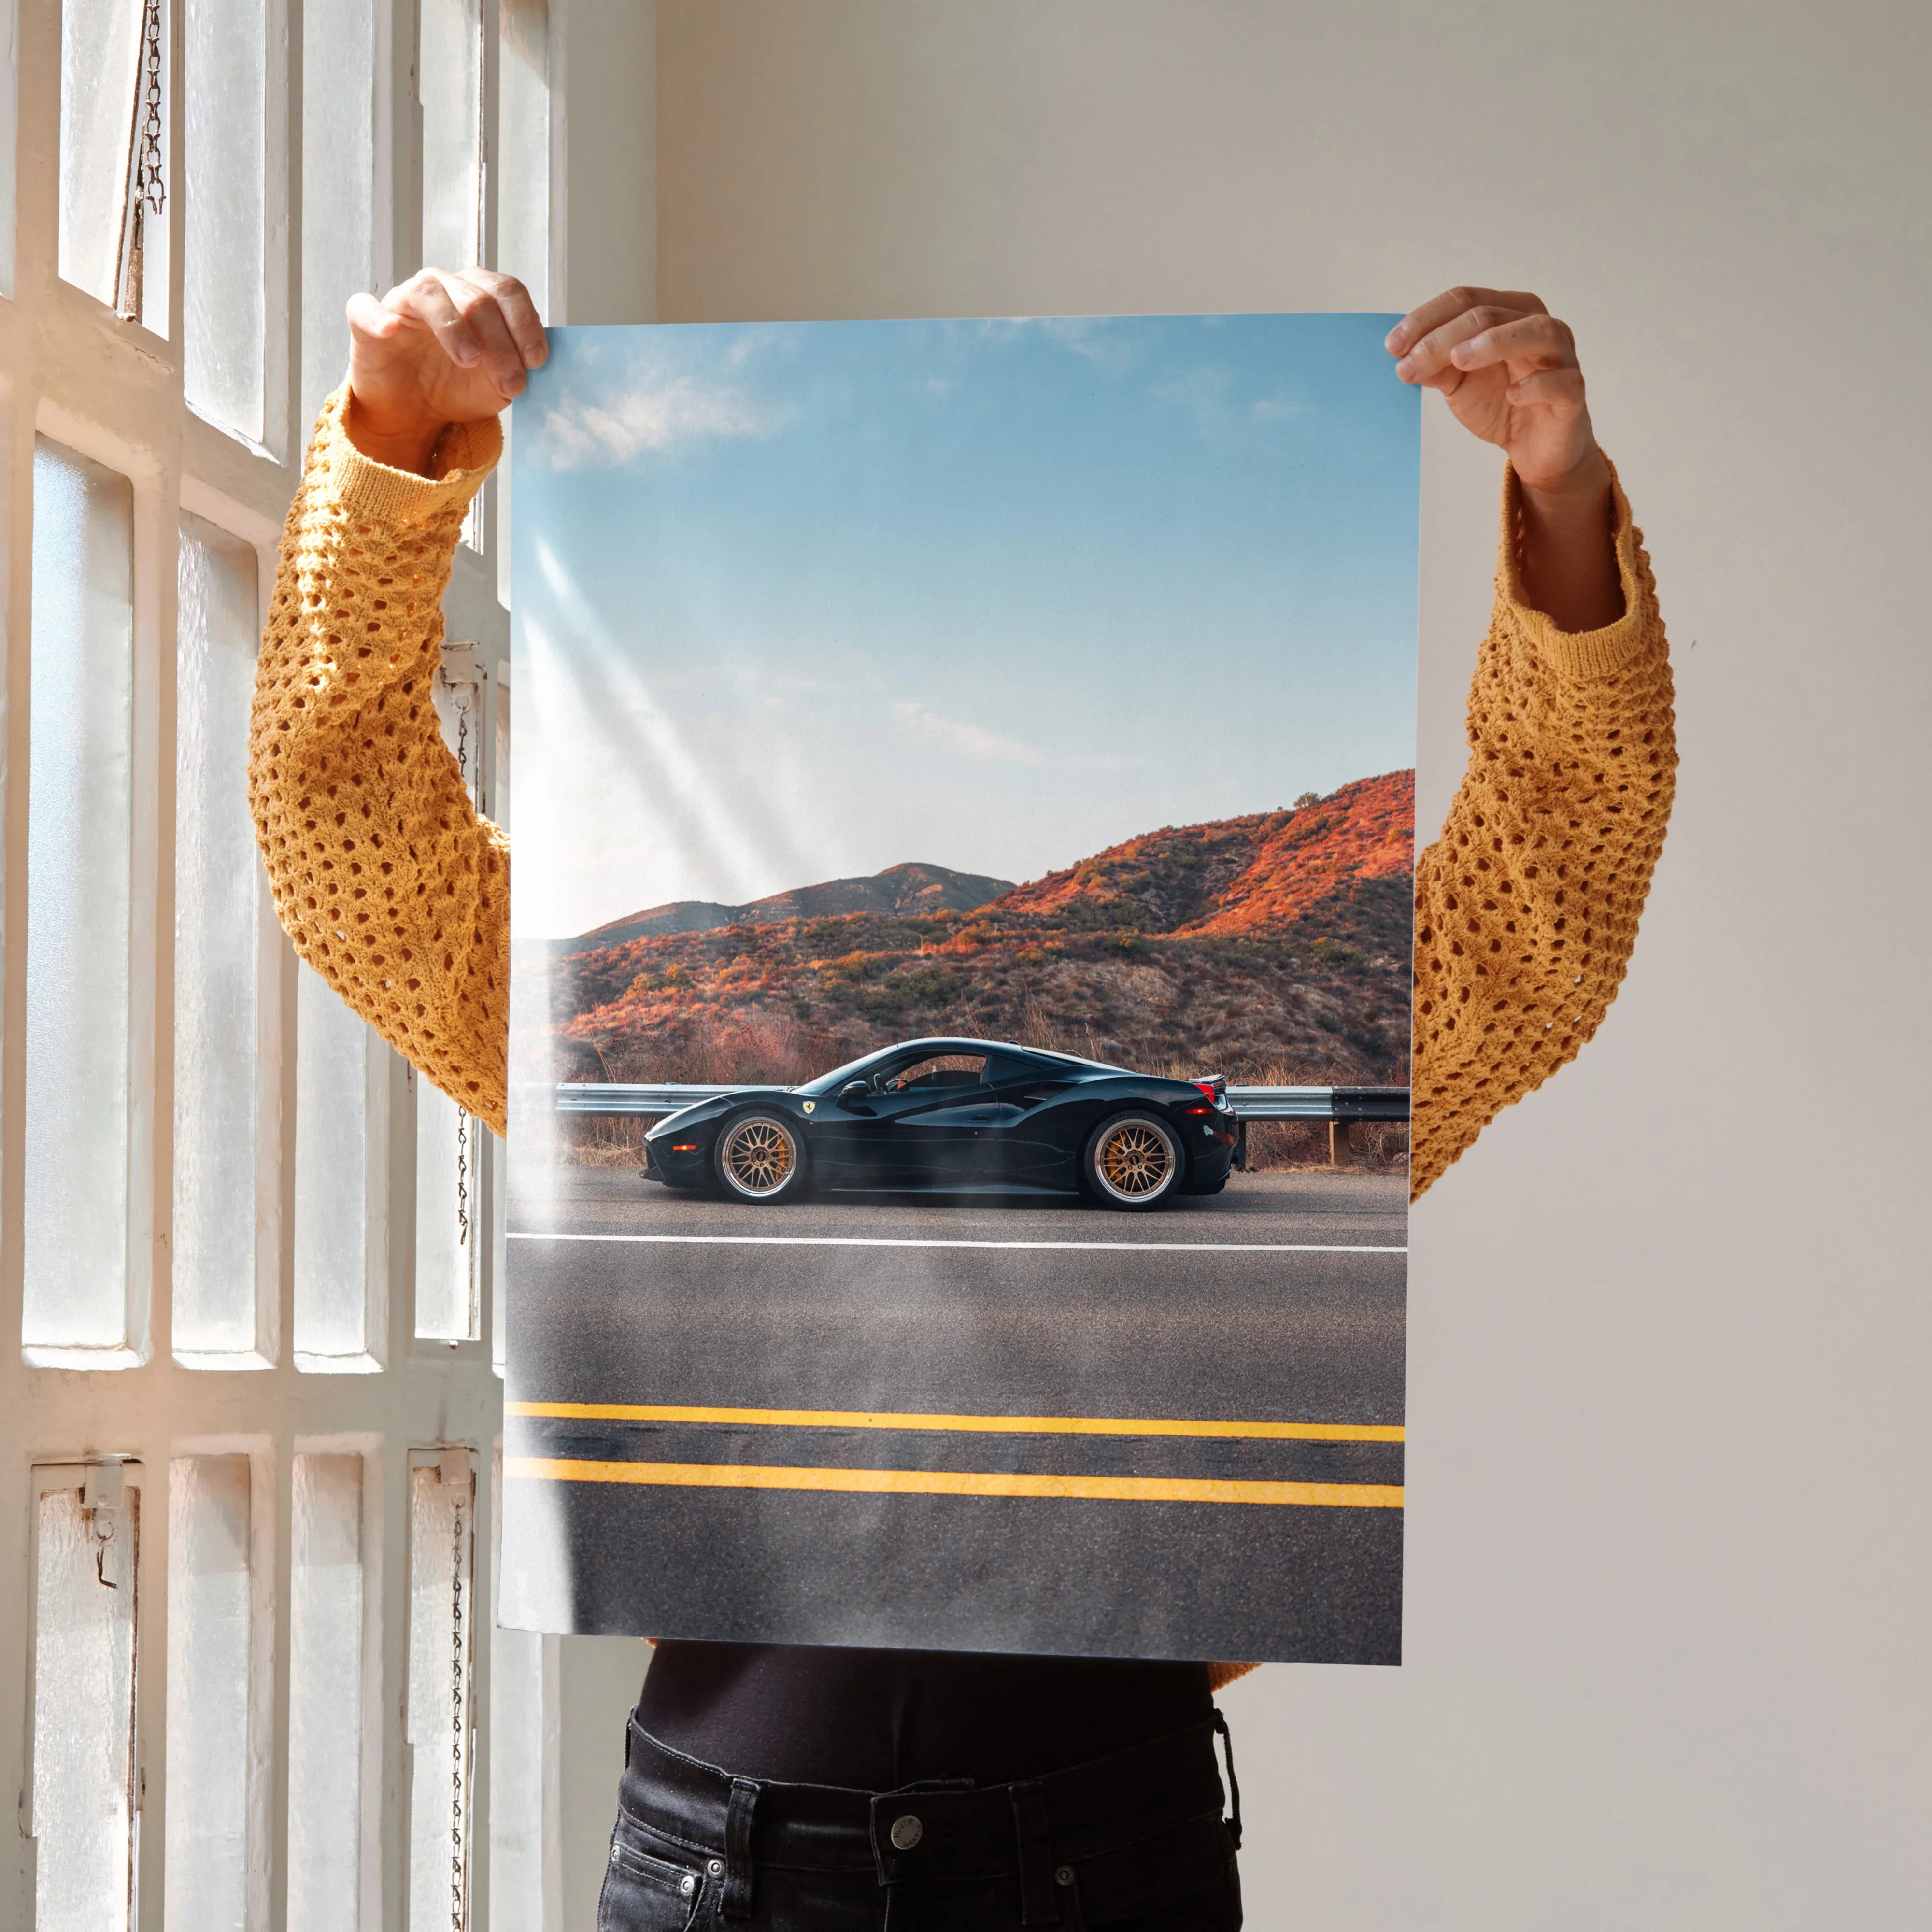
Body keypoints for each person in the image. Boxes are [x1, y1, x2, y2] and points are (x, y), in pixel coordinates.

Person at [249, 270, 1675, 1929]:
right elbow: (346, 839)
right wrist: (391, 443)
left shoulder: (1218, 1088)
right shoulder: (608, 1041)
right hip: (732, 1865)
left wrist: (1561, 494)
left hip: (1102, 1855)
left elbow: (1545, 908)